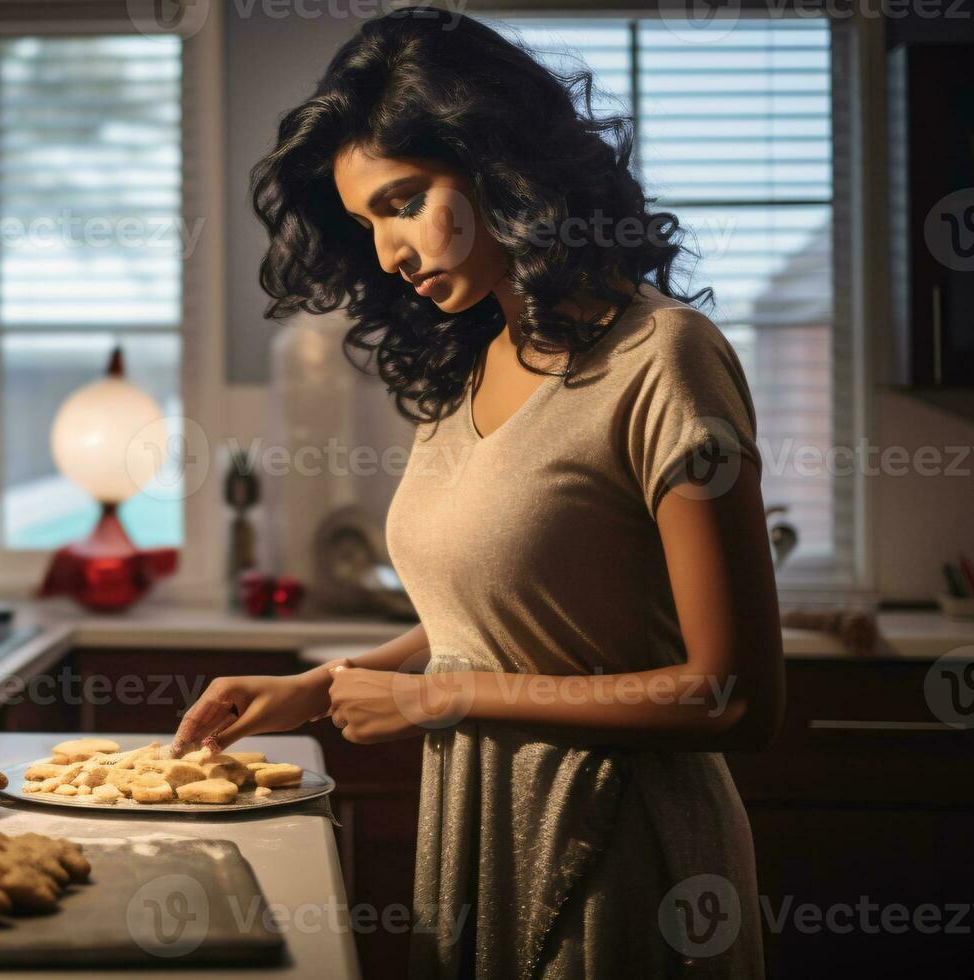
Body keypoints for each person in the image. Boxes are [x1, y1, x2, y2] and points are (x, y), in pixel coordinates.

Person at [172, 11, 784, 978]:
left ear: (498, 162)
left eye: (404, 201)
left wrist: (439, 703)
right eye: (368, 223)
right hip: (475, 834)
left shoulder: (662, 359)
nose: (387, 253)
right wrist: (325, 689)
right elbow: (500, 615)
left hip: (621, 855)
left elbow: (733, 697)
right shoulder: (473, 366)